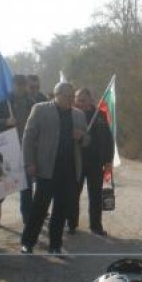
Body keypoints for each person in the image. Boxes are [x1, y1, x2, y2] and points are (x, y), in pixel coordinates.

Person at [20, 81, 88, 254]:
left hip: (69, 169)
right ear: (56, 95)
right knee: (39, 208)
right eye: (67, 97)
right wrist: (29, 162)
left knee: (61, 209)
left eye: (72, 97)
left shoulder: (79, 115)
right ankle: (28, 242)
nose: (71, 100)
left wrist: (81, 137)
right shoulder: (41, 109)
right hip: (46, 168)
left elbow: (88, 140)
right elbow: (28, 138)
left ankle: (55, 245)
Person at [0, 75, 37, 227]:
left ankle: (28, 219)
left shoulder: (32, 102)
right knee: (3, 184)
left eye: (23, 84)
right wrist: (5, 122)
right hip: (8, 148)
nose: (21, 87)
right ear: (13, 85)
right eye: (18, 84)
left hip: (26, 147)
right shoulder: (3, 103)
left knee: (27, 186)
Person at [69, 87, 114, 235]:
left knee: (95, 195)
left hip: (96, 162)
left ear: (90, 100)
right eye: (78, 100)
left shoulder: (100, 115)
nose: (80, 103)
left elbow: (108, 139)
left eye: (83, 100)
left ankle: (96, 226)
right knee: (73, 194)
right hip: (76, 161)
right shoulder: (71, 114)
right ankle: (72, 224)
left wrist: (108, 160)